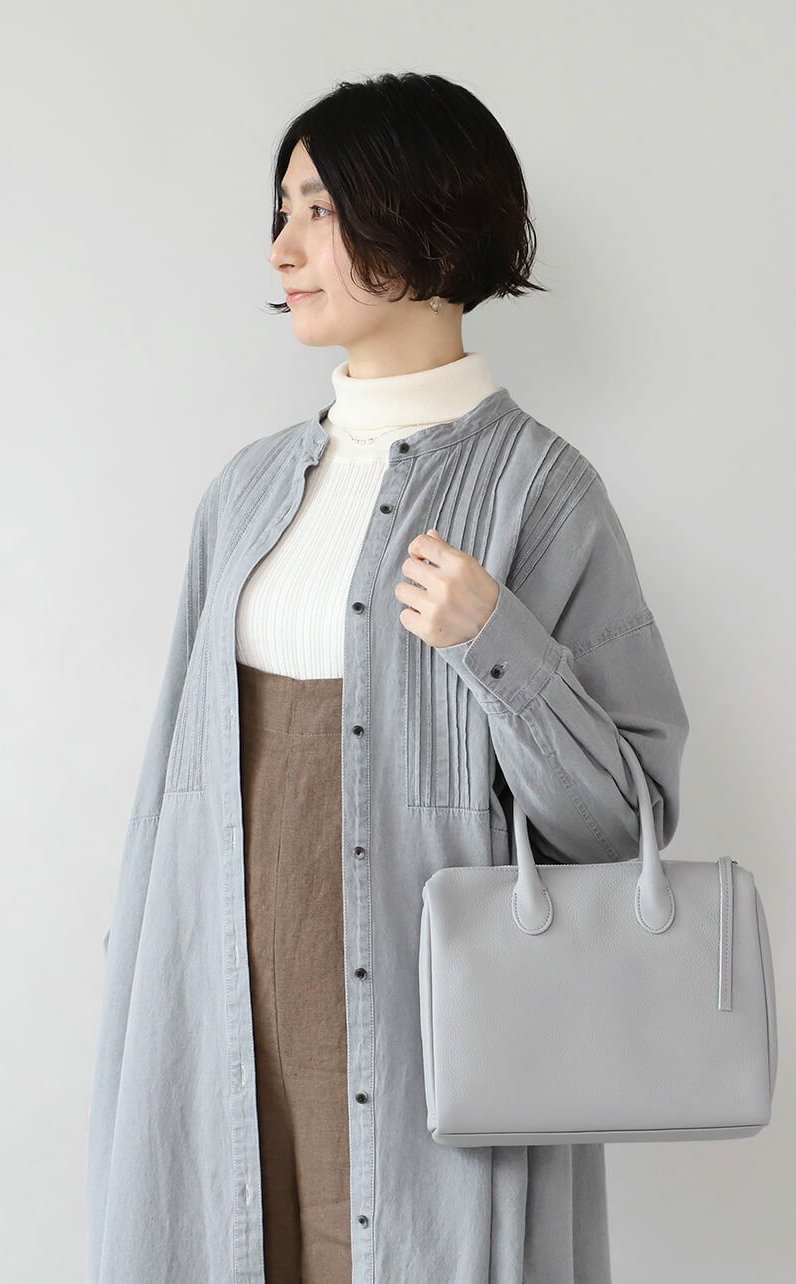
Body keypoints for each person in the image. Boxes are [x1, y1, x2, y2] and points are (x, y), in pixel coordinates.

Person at [86, 71, 689, 1284]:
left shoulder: (542, 493)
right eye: (282, 211)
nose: (282, 248)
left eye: (318, 209)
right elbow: (170, 795)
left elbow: (624, 823)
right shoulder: (244, 492)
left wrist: (495, 644)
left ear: (421, 218)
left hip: (432, 1070)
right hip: (222, 1036)